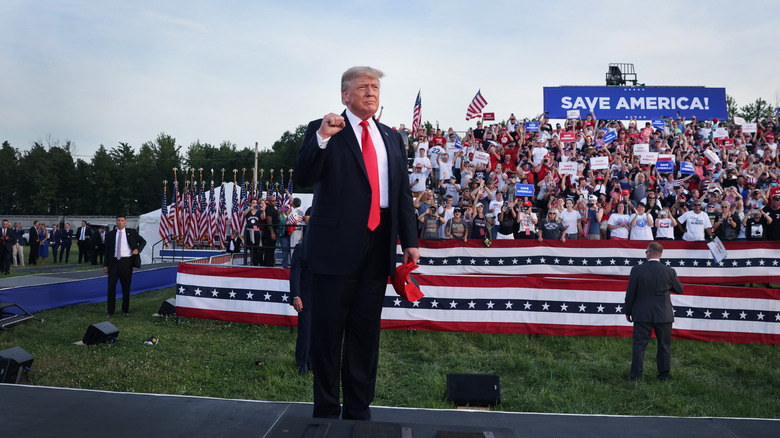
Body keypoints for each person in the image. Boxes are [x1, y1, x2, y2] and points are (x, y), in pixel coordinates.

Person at [294, 66, 419, 420]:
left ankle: (359, 410)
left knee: (365, 334)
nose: (371, 92)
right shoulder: (326, 129)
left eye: (375, 87)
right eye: (363, 86)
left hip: (378, 247)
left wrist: (409, 240)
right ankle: (327, 408)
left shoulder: (392, 138)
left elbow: (402, 193)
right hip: (333, 247)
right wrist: (321, 136)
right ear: (345, 95)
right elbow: (303, 175)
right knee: (328, 333)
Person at [624, 242, 684, 381]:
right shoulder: (669, 271)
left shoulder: (637, 270)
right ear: (661, 255)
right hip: (663, 314)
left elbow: (630, 293)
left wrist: (628, 311)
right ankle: (664, 376)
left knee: (639, 346)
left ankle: (636, 377)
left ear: (649, 253)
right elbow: (680, 289)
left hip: (641, 313)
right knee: (664, 346)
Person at [103, 215, 147, 316]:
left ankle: (125, 310)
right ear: (116, 222)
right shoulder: (110, 234)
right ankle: (110, 311)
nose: (120, 222)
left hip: (126, 263)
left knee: (126, 287)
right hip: (113, 263)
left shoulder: (131, 232)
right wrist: (105, 265)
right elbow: (107, 251)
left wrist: (137, 249)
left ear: (125, 222)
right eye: (118, 220)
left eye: (122, 221)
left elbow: (143, 241)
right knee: (111, 288)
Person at [289, 241, 312, 376]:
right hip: (306, 298)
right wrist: (296, 296)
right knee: (306, 333)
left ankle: (312, 362)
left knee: (318, 334)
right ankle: (301, 363)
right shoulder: (302, 247)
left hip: (323, 300)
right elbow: (295, 272)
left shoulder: (328, 246)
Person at [243, 198, 265, 266]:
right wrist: (250, 208)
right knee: (249, 247)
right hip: (248, 231)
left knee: (255, 248)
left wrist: (263, 210)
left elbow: (263, 218)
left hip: (256, 231)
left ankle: (255, 262)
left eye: (255, 203)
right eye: (253, 203)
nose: (254, 204)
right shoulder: (248, 211)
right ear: (250, 203)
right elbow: (244, 214)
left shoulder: (258, 212)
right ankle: (248, 262)